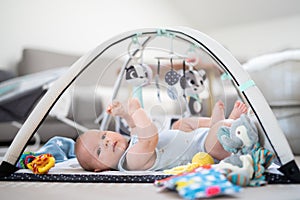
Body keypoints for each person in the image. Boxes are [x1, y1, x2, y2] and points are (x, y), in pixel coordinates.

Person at [75, 98, 248, 172]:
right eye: (98, 151)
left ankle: (214, 124)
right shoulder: (131, 161)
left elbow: (135, 128)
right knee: (218, 133)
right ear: (100, 169)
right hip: (205, 150)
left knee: (181, 123)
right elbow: (149, 138)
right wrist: (136, 110)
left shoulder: (130, 147)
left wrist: (124, 114)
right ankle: (226, 125)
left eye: (104, 136)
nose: (105, 143)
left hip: (194, 137)